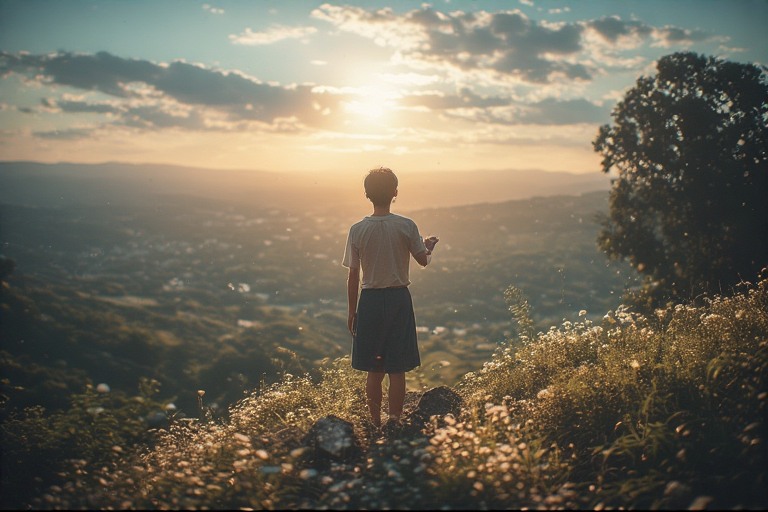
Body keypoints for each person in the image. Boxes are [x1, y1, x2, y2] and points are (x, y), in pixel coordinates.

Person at [342, 167, 438, 429]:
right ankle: (394, 422)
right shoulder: (406, 226)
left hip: (370, 301)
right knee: (397, 369)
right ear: (395, 193)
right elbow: (422, 261)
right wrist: (427, 246)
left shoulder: (357, 229)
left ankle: (375, 423)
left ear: (366, 194)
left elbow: (353, 275)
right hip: (398, 299)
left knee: (375, 370)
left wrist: (352, 312)